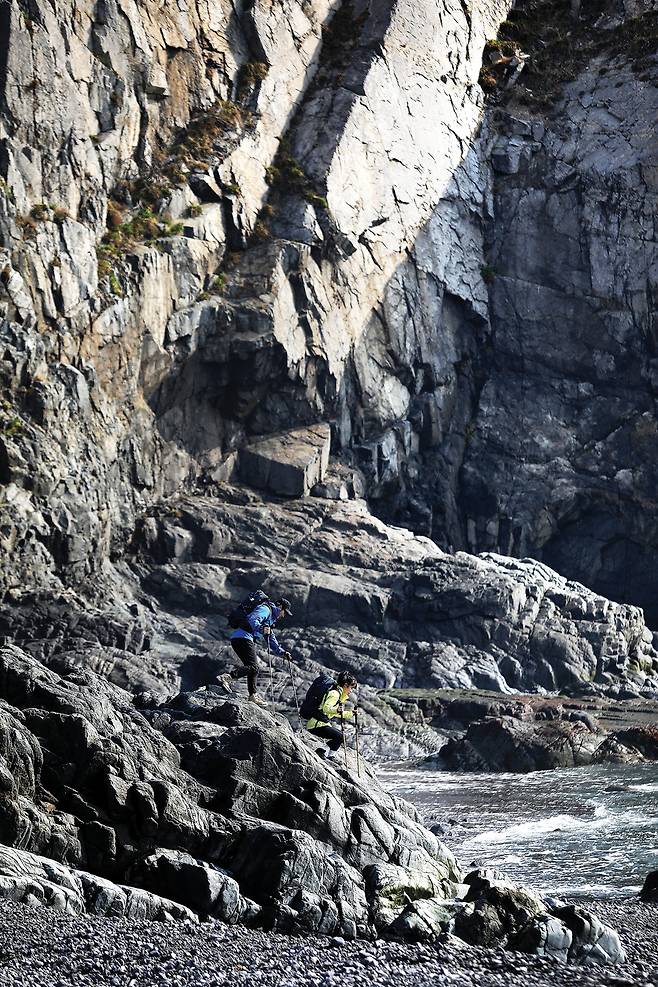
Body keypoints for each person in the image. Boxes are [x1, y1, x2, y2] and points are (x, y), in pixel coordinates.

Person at [218, 597, 293, 705]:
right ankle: (227, 677)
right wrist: (262, 629)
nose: (284, 615)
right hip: (243, 638)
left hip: (240, 638)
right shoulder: (266, 609)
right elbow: (253, 619)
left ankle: (253, 695)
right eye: (284, 612)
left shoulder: (270, 618)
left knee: (252, 668)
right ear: (280, 607)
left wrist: (282, 652)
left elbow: (270, 638)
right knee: (254, 667)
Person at [306, 671, 358, 760]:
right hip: (316, 724)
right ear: (345, 685)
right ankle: (321, 750)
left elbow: (337, 713)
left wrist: (351, 713)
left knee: (341, 737)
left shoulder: (339, 694)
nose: (351, 691)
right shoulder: (335, 694)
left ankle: (330, 755)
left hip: (322, 723)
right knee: (340, 736)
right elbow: (326, 708)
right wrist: (336, 710)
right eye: (351, 688)